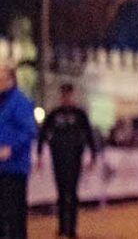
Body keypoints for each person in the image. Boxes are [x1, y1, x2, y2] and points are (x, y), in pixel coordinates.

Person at [37, 83, 98, 239]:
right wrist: (39, 154)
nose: (66, 98)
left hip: (75, 160)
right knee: (61, 193)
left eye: (68, 95)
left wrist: (93, 155)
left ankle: (71, 228)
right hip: (58, 158)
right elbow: (43, 134)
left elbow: (90, 135)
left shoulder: (79, 115)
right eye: (64, 95)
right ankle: (62, 227)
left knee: (72, 193)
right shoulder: (54, 114)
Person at [0, 65, 36, 239]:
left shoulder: (20, 102)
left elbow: (29, 131)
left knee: (14, 215)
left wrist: (11, 149)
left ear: (10, 80)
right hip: (2, 168)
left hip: (14, 168)